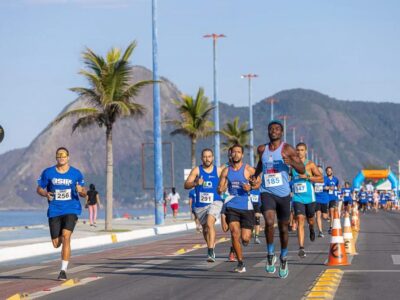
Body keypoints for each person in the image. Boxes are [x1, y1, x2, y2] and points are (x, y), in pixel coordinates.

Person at [255, 120, 305, 279]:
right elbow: (259, 165)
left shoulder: (288, 149)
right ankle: (270, 254)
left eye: (277, 129)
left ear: (281, 132)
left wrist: (291, 163)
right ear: (268, 131)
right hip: (266, 191)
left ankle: (283, 257)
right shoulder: (262, 149)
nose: (273, 131)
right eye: (271, 129)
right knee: (269, 222)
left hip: (283, 194)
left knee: (284, 229)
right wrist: (255, 176)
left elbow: (302, 168)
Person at [36, 147, 86, 281]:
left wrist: (81, 191)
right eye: (59, 155)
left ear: (68, 157)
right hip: (54, 210)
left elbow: (83, 192)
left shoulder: (76, 173)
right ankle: (59, 242)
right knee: (56, 243)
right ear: (56, 157)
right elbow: (39, 188)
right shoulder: (48, 173)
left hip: (72, 208)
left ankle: (63, 270)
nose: (62, 157)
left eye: (64, 155)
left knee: (66, 237)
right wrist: (46, 193)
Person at [218, 144, 260, 273]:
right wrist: (221, 189)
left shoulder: (248, 169)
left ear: (242, 155)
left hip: (246, 206)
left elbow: (259, 182)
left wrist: (251, 187)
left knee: (245, 238)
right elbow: (220, 188)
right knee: (234, 233)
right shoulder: (226, 171)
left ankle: (243, 241)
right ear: (231, 154)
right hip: (232, 205)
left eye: (238, 152)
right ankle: (240, 263)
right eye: (233, 152)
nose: (236, 154)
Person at [184, 148, 223, 262]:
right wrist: (195, 183)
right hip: (200, 205)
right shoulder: (197, 170)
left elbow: (226, 183)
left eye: (209, 156)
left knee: (210, 223)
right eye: (205, 156)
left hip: (215, 202)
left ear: (213, 157)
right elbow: (186, 185)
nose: (207, 159)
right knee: (205, 229)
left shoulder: (218, 171)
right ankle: (210, 246)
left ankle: (210, 251)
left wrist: (223, 188)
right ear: (202, 158)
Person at [291, 143, 323, 258]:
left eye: (302, 150)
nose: (299, 152)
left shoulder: (310, 164)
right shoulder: (292, 165)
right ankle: (301, 248)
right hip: (297, 197)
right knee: (300, 219)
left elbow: (321, 178)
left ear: (306, 151)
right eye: (298, 150)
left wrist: (308, 177)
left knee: (310, 220)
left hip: (310, 198)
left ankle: (311, 228)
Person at [314, 165, 329, 238]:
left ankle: (327, 217)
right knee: (318, 215)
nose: (319, 171)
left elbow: (331, 187)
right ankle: (320, 231)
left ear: (322, 172)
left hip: (324, 199)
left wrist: (328, 187)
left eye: (320, 170)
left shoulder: (326, 179)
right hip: (316, 199)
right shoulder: (313, 179)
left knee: (324, 216)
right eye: (317, 170)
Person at [325, 166, 339, 234]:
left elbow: (338, 186)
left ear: (332, 171)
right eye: (328, 171)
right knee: (324, 215)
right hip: (325, 197)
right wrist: (328, 187)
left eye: (330, 171)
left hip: (333, 197)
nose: (329, 172)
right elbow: (323, 187)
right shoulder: (324, 179)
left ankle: (331, 227)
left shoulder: (335, 179)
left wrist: (337, 188)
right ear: (326, 172)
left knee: (331, 211)